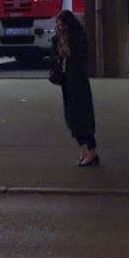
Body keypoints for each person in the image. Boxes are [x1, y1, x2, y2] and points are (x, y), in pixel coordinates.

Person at [54, 9, 98, 167]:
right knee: (71, 117)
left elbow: (82, 56)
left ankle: (91, 151)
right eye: (57, 26)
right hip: (67, 82)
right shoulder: (60, 38)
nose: (59, 29)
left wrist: (69, 50)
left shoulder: (78, 37)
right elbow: (54, 53)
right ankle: (83, 148)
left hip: (78, 82)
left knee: (82, 117)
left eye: (61, 26)